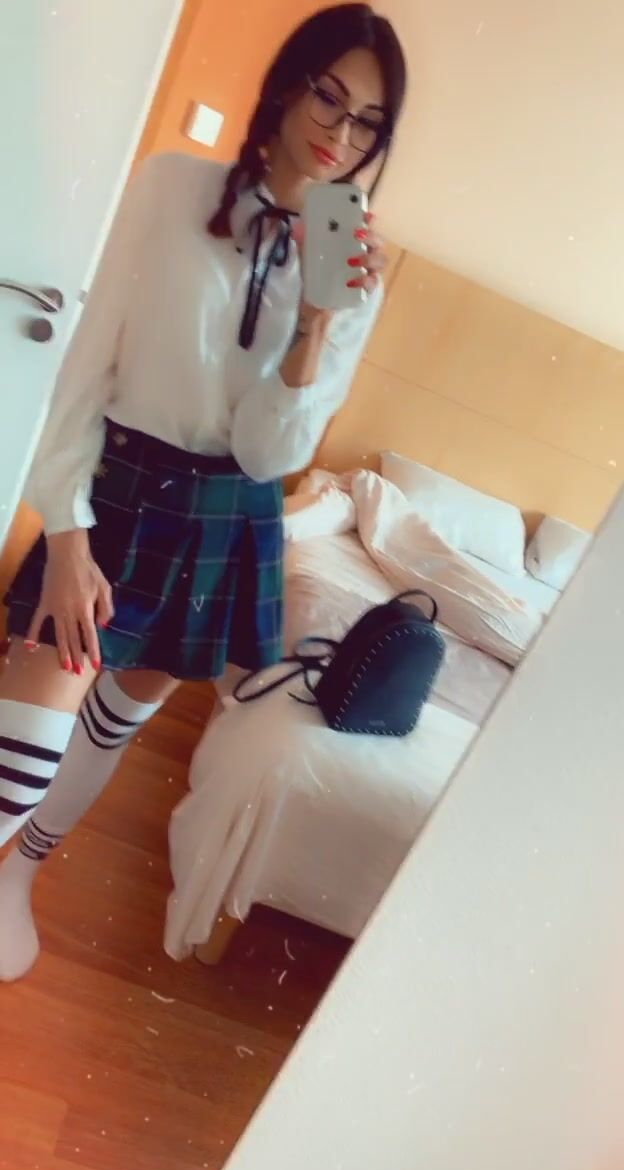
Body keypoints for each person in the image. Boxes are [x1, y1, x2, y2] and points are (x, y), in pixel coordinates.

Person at [0, 3, 407, 981]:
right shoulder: (169, 187)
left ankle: (17, 879)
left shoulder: (352, 273)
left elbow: (271, 453)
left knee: (116, 719)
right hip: (115, 494)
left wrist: (318, 324)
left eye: (368, 124)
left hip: (229, 515)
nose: (340, 133)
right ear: (289, 83)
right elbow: (86, 372)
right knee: (24, 736)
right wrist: (67, 536)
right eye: (329, 97)